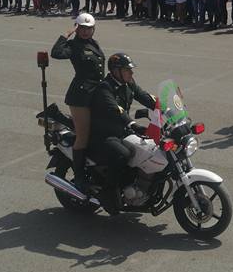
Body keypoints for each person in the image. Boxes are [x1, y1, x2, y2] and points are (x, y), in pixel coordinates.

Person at [87, 53, 157, 213]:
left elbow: (144, 96)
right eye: (127, 70)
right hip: (104, 134)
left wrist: (164, 106)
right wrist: (133, 124)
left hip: (122, 131)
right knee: (123, 155)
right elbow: (116, 109)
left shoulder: (128, 83)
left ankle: (137, 186)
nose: (131, 73)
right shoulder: (105, 87)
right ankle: (109, 193)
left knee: (147, 149)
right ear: (116, 71)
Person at [50, 12, 105, 193]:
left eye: (89, 28)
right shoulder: (74, 46)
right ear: (77, 28)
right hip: (80, 96)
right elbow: (56, 53)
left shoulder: (94, 44)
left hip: (96, 95)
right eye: (82, 28)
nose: (85, 31)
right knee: (83, 135)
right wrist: (66, 34)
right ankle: (80, 178)